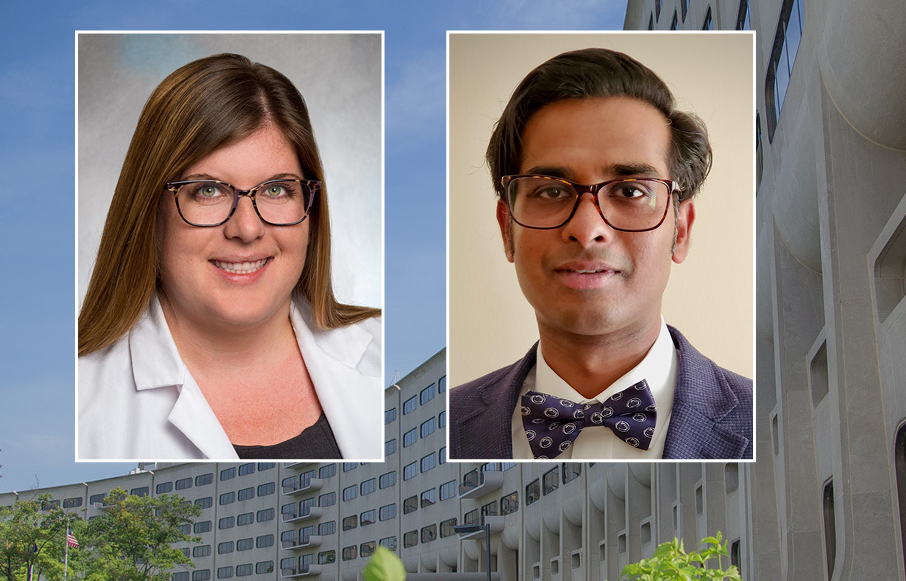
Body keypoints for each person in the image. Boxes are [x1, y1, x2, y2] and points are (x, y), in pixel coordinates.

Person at [449, 48, 752, 460]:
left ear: (680, 229)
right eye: (552, 191)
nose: (588, 230)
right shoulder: (447, 424)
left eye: (630, 191)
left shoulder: (771, 420)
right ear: (508, 229)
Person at [77, 53, 381, 460]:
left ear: (310, 207)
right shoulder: (79, 401)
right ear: (148, 210)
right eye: (207, 190)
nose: (247, 229)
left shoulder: (384, 352)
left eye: (276, 190)